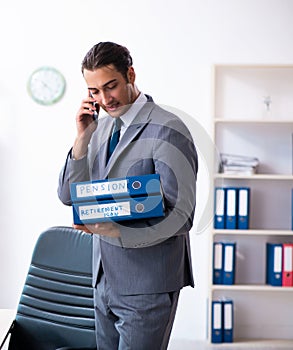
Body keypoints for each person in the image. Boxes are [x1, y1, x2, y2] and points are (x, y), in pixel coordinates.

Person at [58, 41, 198, 350]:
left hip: (147, 283)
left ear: (130, 74)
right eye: (94, 92)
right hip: (103, 279)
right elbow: (69, 195)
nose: (105, 99)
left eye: (111, 86)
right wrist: (82, 139)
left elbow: (182, 216)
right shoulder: (99, 128)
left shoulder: (167, 128)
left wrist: (114, 229)